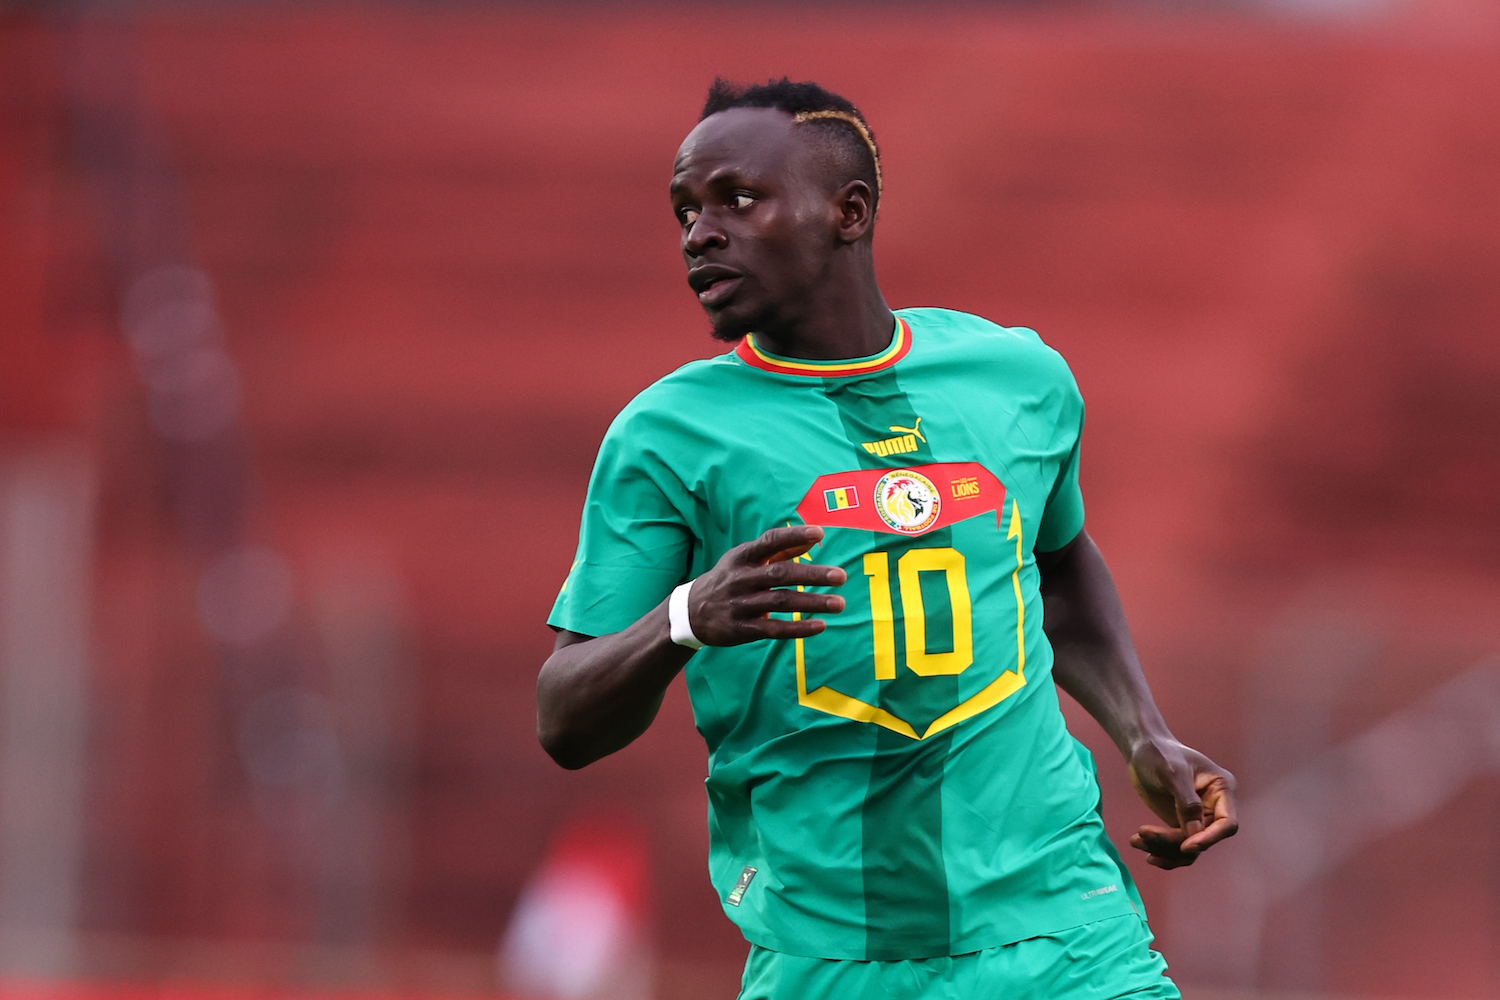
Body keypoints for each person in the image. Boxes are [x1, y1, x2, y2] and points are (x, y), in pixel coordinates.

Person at [536, 77, 1237, 1000]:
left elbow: (1057, 566)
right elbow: (563, 720)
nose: (699, 234)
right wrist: (684, 618)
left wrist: (1144, 732)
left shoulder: (1018, 378)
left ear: (848, 212)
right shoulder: (667, 434)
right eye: (685, 210)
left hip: (1067, 933)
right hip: (835, 957)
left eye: (737, 199)